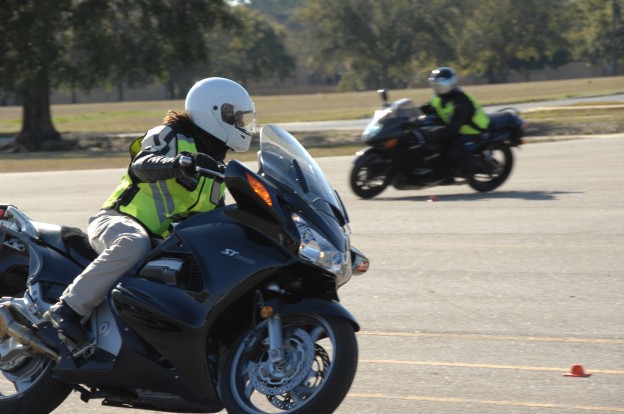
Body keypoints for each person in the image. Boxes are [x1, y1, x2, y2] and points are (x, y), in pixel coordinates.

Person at [44, 77, 256, 345]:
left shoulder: (216, 168)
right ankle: (67, 310)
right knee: (133, 244)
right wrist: (180, 163)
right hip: (119, 221)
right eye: (235, 118)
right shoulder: (171, 136)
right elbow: (142, 165)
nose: (241, 125)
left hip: (163, 243)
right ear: (215, 112)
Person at [420, 67, 491, 177]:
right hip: (457, 129)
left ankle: (475, 167)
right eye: (435, 86)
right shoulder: (438, 99)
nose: (437, 89)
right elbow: (426, 109)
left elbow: (453, 129)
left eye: (440, 86)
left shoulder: (461, 100)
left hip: (472, 130)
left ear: (449, 84)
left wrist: (432, 132)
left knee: (451, 148)